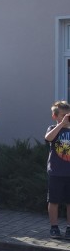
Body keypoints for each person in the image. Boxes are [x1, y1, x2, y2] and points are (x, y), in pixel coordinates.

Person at [45, 101, 70, 239]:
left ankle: (69, 228)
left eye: (68, 114)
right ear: (55, 116)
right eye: (63, 115)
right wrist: (61, 125)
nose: (66, 117)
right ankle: (54, 227)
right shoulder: (52, 128)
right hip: (56, 172)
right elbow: (48, 138)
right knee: (53, 200)